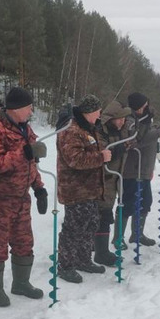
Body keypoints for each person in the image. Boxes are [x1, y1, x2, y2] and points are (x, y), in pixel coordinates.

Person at [0, 87, 47, 307]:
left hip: (22, 197)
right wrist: (23, 153)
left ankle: (21, 283)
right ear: (17, 108)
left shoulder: (25, 129)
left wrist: (38, 188)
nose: (31, 111)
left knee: (24, 243)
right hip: (0, 199)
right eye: (28, 107)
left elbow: (32, 163)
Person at [56, 94, 112, 283]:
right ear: (89, 112)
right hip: (75, 190)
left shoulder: (89, 129)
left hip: (90, 189)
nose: (99, 115)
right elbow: (75, 159)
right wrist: (100, 158)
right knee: (74, 228)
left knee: (90, 225)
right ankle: (65, 266)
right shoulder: (72, 131)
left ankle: (83, 259)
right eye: (98, 111)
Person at [118, 92, 160, 248]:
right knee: (127, 204)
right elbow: (135, 142)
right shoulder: (129, 120)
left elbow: (149, 138)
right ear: (137, 106)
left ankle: (137, 234)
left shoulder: (146, 118)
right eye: (144, 105)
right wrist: (158, 133)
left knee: (145, 203)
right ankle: (118, 238)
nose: (147, 107)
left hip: (144, 169)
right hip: (131, 170)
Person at [94, 100, 130, 266]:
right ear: (109, 119)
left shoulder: (122, 130)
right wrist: (118, 150)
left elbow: (135, 137)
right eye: (118, 119)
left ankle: (98, 248)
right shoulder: (100, 131)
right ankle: (101, 253)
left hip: (115, 179)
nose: (122, 121)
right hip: (102, 180)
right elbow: (103, 154)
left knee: (104, 214)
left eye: (124, 118)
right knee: (103, 215)